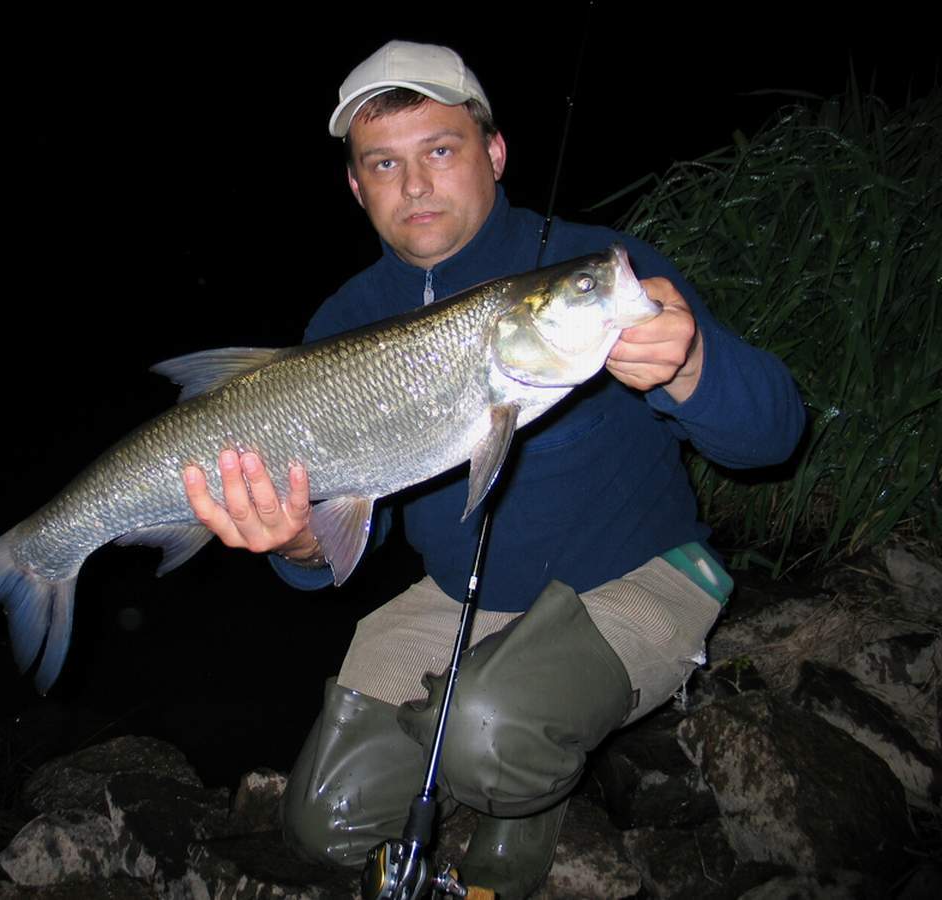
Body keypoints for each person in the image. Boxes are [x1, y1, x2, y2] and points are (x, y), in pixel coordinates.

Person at [182, 41, 804, 898]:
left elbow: (774, 438)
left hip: (639, 578)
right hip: (460, 599)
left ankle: (524, 796)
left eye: (441, 149)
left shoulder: (596, 266)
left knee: (487, 733)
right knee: (323, 822)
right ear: (357, 187)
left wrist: (691, 363)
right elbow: (350, 536)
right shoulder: (344, 320)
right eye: (385, 164)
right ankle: (506, 738)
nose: (416, 185)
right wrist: (296, 544)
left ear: (496, 152)